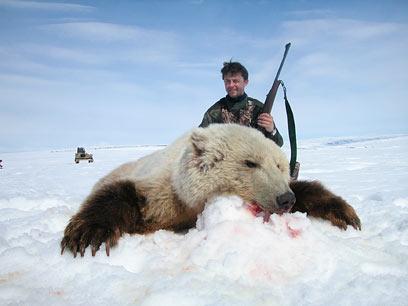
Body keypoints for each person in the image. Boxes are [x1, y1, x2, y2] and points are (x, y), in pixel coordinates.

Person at [199, 61, 283, 147]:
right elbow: (198, 140)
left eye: (235, 81)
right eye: (227, 81)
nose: (231, 85)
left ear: (245, 82)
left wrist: (271, 129)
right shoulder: (214, 112)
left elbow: (279, 144)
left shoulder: (258, 108)